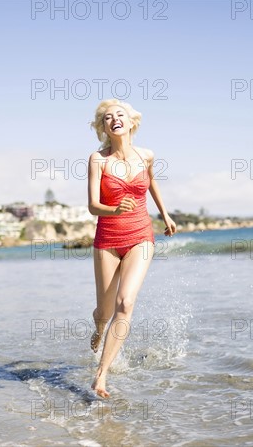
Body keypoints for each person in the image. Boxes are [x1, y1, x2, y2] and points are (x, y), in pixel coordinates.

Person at [87, 99, 176, 398]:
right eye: (108, 117)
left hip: (141, 236)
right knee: (105, 311)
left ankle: (101, 374)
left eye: (120, 115)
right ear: (104, 127)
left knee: (125, 304)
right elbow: (92, 206)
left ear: (130, 121)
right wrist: (113, 210)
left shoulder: (147, 155)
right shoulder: (97, 160)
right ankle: (99, 329)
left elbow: (151, 183)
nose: (115, 119)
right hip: (108, 241)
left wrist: (165, 214)